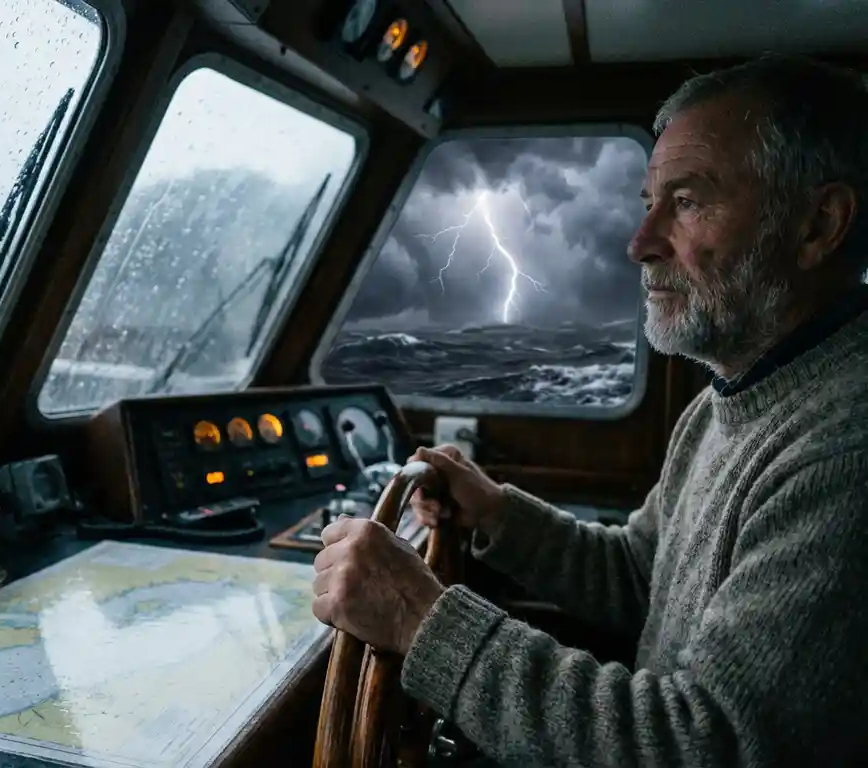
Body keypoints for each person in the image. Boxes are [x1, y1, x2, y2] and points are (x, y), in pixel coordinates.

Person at [312, 53, 868, 766]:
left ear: (818, 224)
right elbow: (642, 576)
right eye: (648, 204)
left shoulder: (842, 452)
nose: (640, 244)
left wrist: (419, 619)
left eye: (689, 202)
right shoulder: (726, 401)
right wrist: (498, 515)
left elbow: (709, 744)